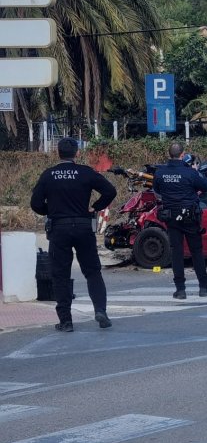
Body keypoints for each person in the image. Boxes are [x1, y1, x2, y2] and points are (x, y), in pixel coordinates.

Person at [30, 137, 117, 332]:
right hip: (83, 227)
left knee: (60, 275)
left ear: (58, 153)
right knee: (92, 271)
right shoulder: (85, 173)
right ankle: (100, 310)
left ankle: (66, 321)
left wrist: (50, 211)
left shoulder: (48, 175)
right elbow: (110, 191)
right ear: (77, 153)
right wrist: (94, 207)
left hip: (59, 229)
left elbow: (35, 203)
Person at [153, 142, 207, 299]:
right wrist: (196, 172)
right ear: (182, 154)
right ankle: (204, 287)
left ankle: (180, 289)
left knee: (177, 252)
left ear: (169, 154)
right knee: (196, 251)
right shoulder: (190, 172)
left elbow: (157, 190)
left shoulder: (160, 173)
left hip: (171, 217)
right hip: (190, 216)